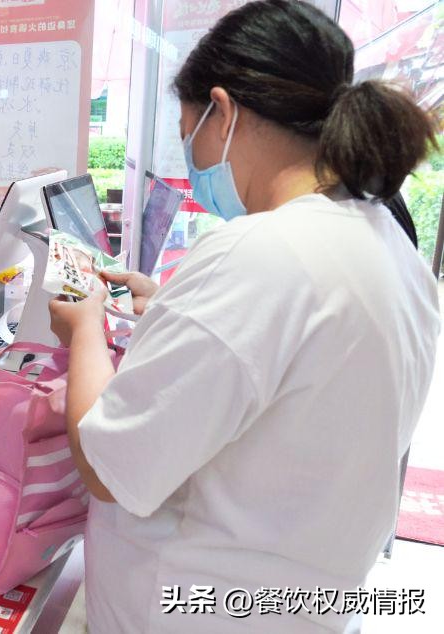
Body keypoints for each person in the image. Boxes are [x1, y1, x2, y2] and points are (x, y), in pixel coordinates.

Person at [48, 2, 440, 632]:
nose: (191, 157)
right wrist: (171, 309)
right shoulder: (392, 245)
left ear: (223, 112)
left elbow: (106, 468)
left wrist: (85, 328)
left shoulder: (258, 253)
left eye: (188, 131)